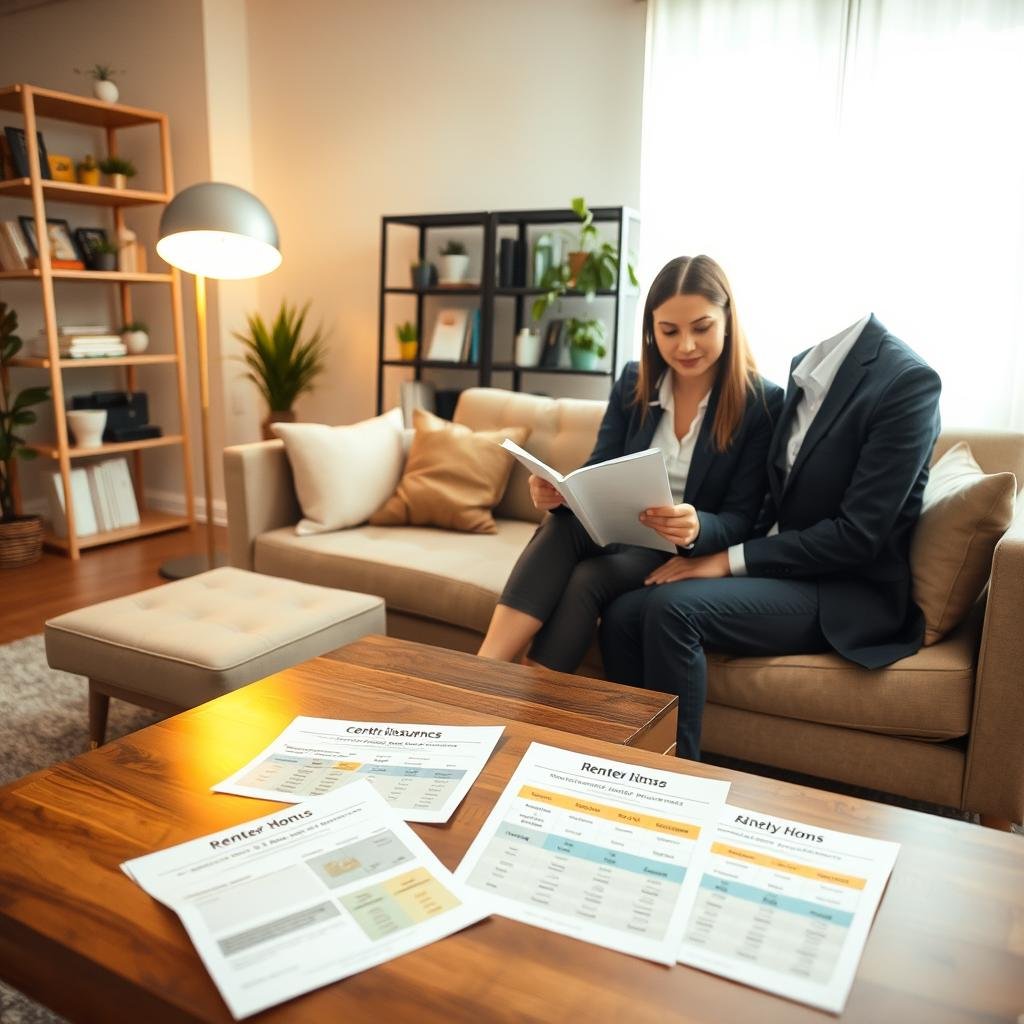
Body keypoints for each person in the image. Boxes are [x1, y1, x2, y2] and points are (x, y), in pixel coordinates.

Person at [599, 313, 942, 762]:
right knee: (625, 612)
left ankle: (673, 780)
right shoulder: (808, 367)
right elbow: (773, 499)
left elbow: (857, 536)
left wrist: (727, 560)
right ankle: (625, 763)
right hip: (788, 573)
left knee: (672, 609)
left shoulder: (906, 382)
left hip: (846, 588)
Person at [477, 254, 784, 673]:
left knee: (588, 579)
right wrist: (558, 492)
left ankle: (523, 694)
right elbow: (597, 469)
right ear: (651, 331)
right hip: (619, 531)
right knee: (562, 523)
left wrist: (696, 527)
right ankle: (484, 670)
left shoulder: (761, 403)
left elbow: (743, 518)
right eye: (669, 331)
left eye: (702, 327)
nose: (686, 346)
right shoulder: (633, 383)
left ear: (727, 321)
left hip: (676, 549)